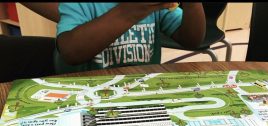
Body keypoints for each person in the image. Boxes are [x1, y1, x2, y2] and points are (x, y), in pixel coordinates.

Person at [54, 2, 206, 74]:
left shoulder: (157, 7)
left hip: (142, 92)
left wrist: (192, 6)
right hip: (89, 97)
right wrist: (134, 10)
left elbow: (191, 40)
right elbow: (70, 52)